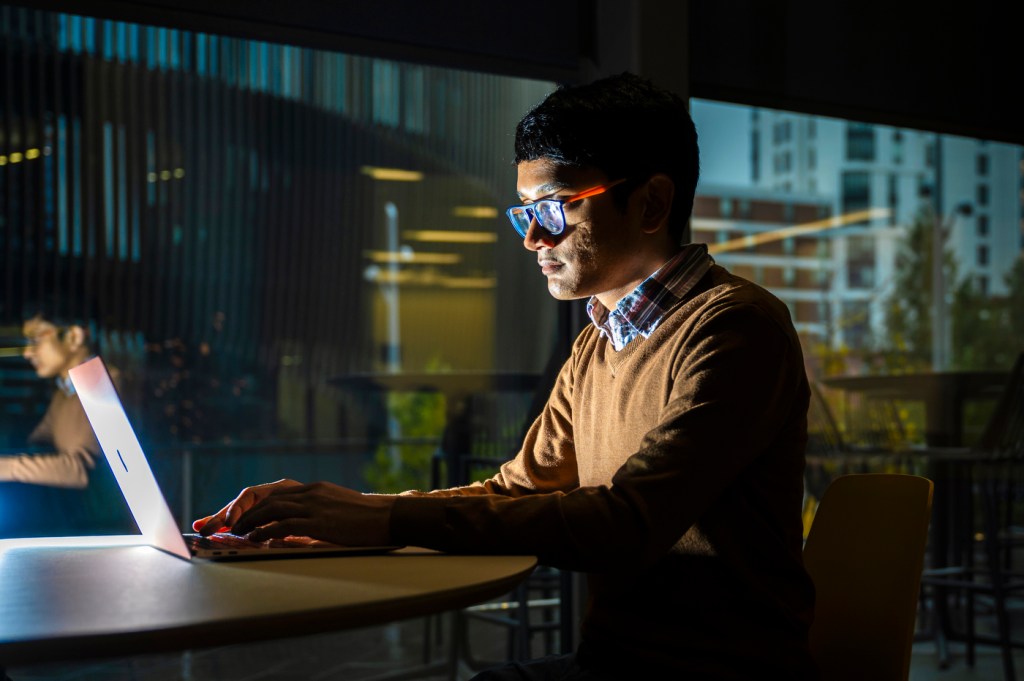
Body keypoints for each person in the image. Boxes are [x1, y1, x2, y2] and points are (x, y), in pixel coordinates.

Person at [194, 73, 817, 679]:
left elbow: (628, 523)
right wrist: (357, 516)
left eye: (553, 208)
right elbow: (520, 489)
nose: (533, 239)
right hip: (617, 660)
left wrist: (383, 521)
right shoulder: (598, 341)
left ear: (651, 201)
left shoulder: (736, 329)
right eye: (525, 214)